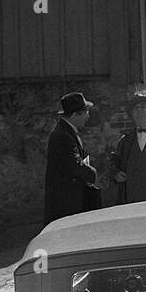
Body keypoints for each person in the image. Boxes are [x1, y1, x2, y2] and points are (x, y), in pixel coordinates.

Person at [44, 91, 100, 226]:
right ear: (75, 114)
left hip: (69, 197)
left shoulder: (66, 130)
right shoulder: (63, 135)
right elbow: (75, 164)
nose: (88, 116)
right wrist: (96, 176)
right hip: (67, 201)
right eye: (86, 112)